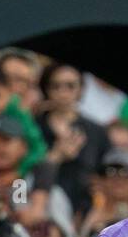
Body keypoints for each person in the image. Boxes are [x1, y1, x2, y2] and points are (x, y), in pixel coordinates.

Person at [36, 62, 107, 216]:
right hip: (42, 211)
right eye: (56, 86)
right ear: (46, 89)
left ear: (81, 89)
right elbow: (22, 175)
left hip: (86, 212)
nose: (63, 92)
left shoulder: (96, 131)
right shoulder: (34, 127)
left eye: (70, 86)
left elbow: (104, 173)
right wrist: (55, 156)